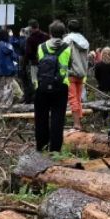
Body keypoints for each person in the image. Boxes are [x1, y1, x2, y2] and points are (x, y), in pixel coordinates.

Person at [34, 20, 71, 152]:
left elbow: (38, 63)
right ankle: (55, 150)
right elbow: (70, 66)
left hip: (42, 86)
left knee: (40, 118)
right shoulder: (67, 48)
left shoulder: (41, 47)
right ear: (63, 33)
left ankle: (41, 147)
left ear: (50, 33)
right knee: (58, 118)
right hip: (61, 86)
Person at [63, 19, 90, 131]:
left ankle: (76, 124)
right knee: (78, 98)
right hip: (82, 72)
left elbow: (65, 56)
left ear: (68, 28)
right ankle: (79, 122)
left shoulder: (67, 40)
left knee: (73, 98)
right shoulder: (85, 41)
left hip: (71, 72)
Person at [24, 19, 50, 100]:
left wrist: (24, 64)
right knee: (45, 78)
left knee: (34, 80)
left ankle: (37, 94)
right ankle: (46, 94)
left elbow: (28, 53)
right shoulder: (46, 36)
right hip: (46, 62)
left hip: (34, 62)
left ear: (31, 28)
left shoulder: (30, 39)